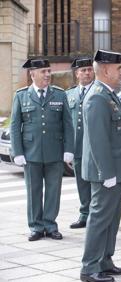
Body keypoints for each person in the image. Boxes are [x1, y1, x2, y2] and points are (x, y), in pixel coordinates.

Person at [80, 50, 121, 282]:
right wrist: (107, 173)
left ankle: (104, 260)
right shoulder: (97, 97)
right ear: (104, 70)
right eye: (117, 68)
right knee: (100, 218)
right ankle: (89, 267)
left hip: (117, 171)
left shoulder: (109, 94)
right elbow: (98, 140)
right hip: (107, 173)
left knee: (111, 219)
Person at [10, 59, 74, 241]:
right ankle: (36, 227)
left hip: (54, 151)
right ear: (32, 74)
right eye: (43, 71)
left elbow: (68, 124)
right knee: (34, 190)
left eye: (48, 71)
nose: (47, 75)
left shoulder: (59, 95)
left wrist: (68, 149)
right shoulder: (21, 96)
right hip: (31, 153)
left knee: (54, 190)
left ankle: (50, 225)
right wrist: (18, 152)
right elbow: (15, 126)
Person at [66, 58, 95, 229]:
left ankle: (97, 215)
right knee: (81, 182)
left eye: (89, 69)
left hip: (94, 146)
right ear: (77, 74)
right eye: (83, 70)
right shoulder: (69, 94)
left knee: (95, 182)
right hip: (77, 147)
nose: (86, 73)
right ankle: (85, 214)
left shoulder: (99, 91)